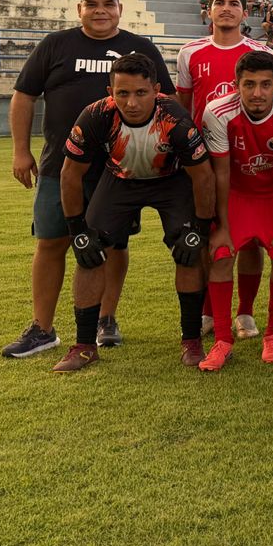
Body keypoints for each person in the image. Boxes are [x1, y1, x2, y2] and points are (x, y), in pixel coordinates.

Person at [3, 0, 172, 360]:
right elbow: (24, 96)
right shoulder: (55, 45)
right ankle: (42, 328)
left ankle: (105, 319)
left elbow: (166, 100)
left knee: (114, 245)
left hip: (121, 169)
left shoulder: (141, 48)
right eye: (91, 4)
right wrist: (20, 150)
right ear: (79, 9)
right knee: (51, 242)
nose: (99, 10)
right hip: (58, 165)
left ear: (119, 10)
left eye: (107, 4)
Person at [51, 53, 217, 372]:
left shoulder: (175, 118)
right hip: (120, 180)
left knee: (188, 250)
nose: (131, 102)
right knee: (90, 254)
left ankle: (191, 341)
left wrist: (200, 226)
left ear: (156, 89)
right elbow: (70, 174)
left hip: (171, 182)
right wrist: (76, 229)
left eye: (141, 93)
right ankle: (84, 346)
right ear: (110, 91)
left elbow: (203, 175)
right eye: (122, 93)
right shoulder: (95, 115)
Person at [198, 51, 273, 370]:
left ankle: (272, 335)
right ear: (236, 85)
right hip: (236, 194)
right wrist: (220, 222)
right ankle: (222, 340)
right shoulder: (217, 111)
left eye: (265, 85)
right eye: (249, 85)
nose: (257, 93)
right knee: (220, 254)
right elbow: (221, 171)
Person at [176, 0, 273, 339]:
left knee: (249, 240)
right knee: (208, 235)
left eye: (234, 4)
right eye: (220, 3)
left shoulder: (261, 51)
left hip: (251, 159)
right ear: (209, 10)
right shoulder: (190, 52)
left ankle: (245, 313)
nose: (227, 8)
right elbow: (183, 107)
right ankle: (206, 312)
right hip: (204, 161)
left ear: (245, 12)